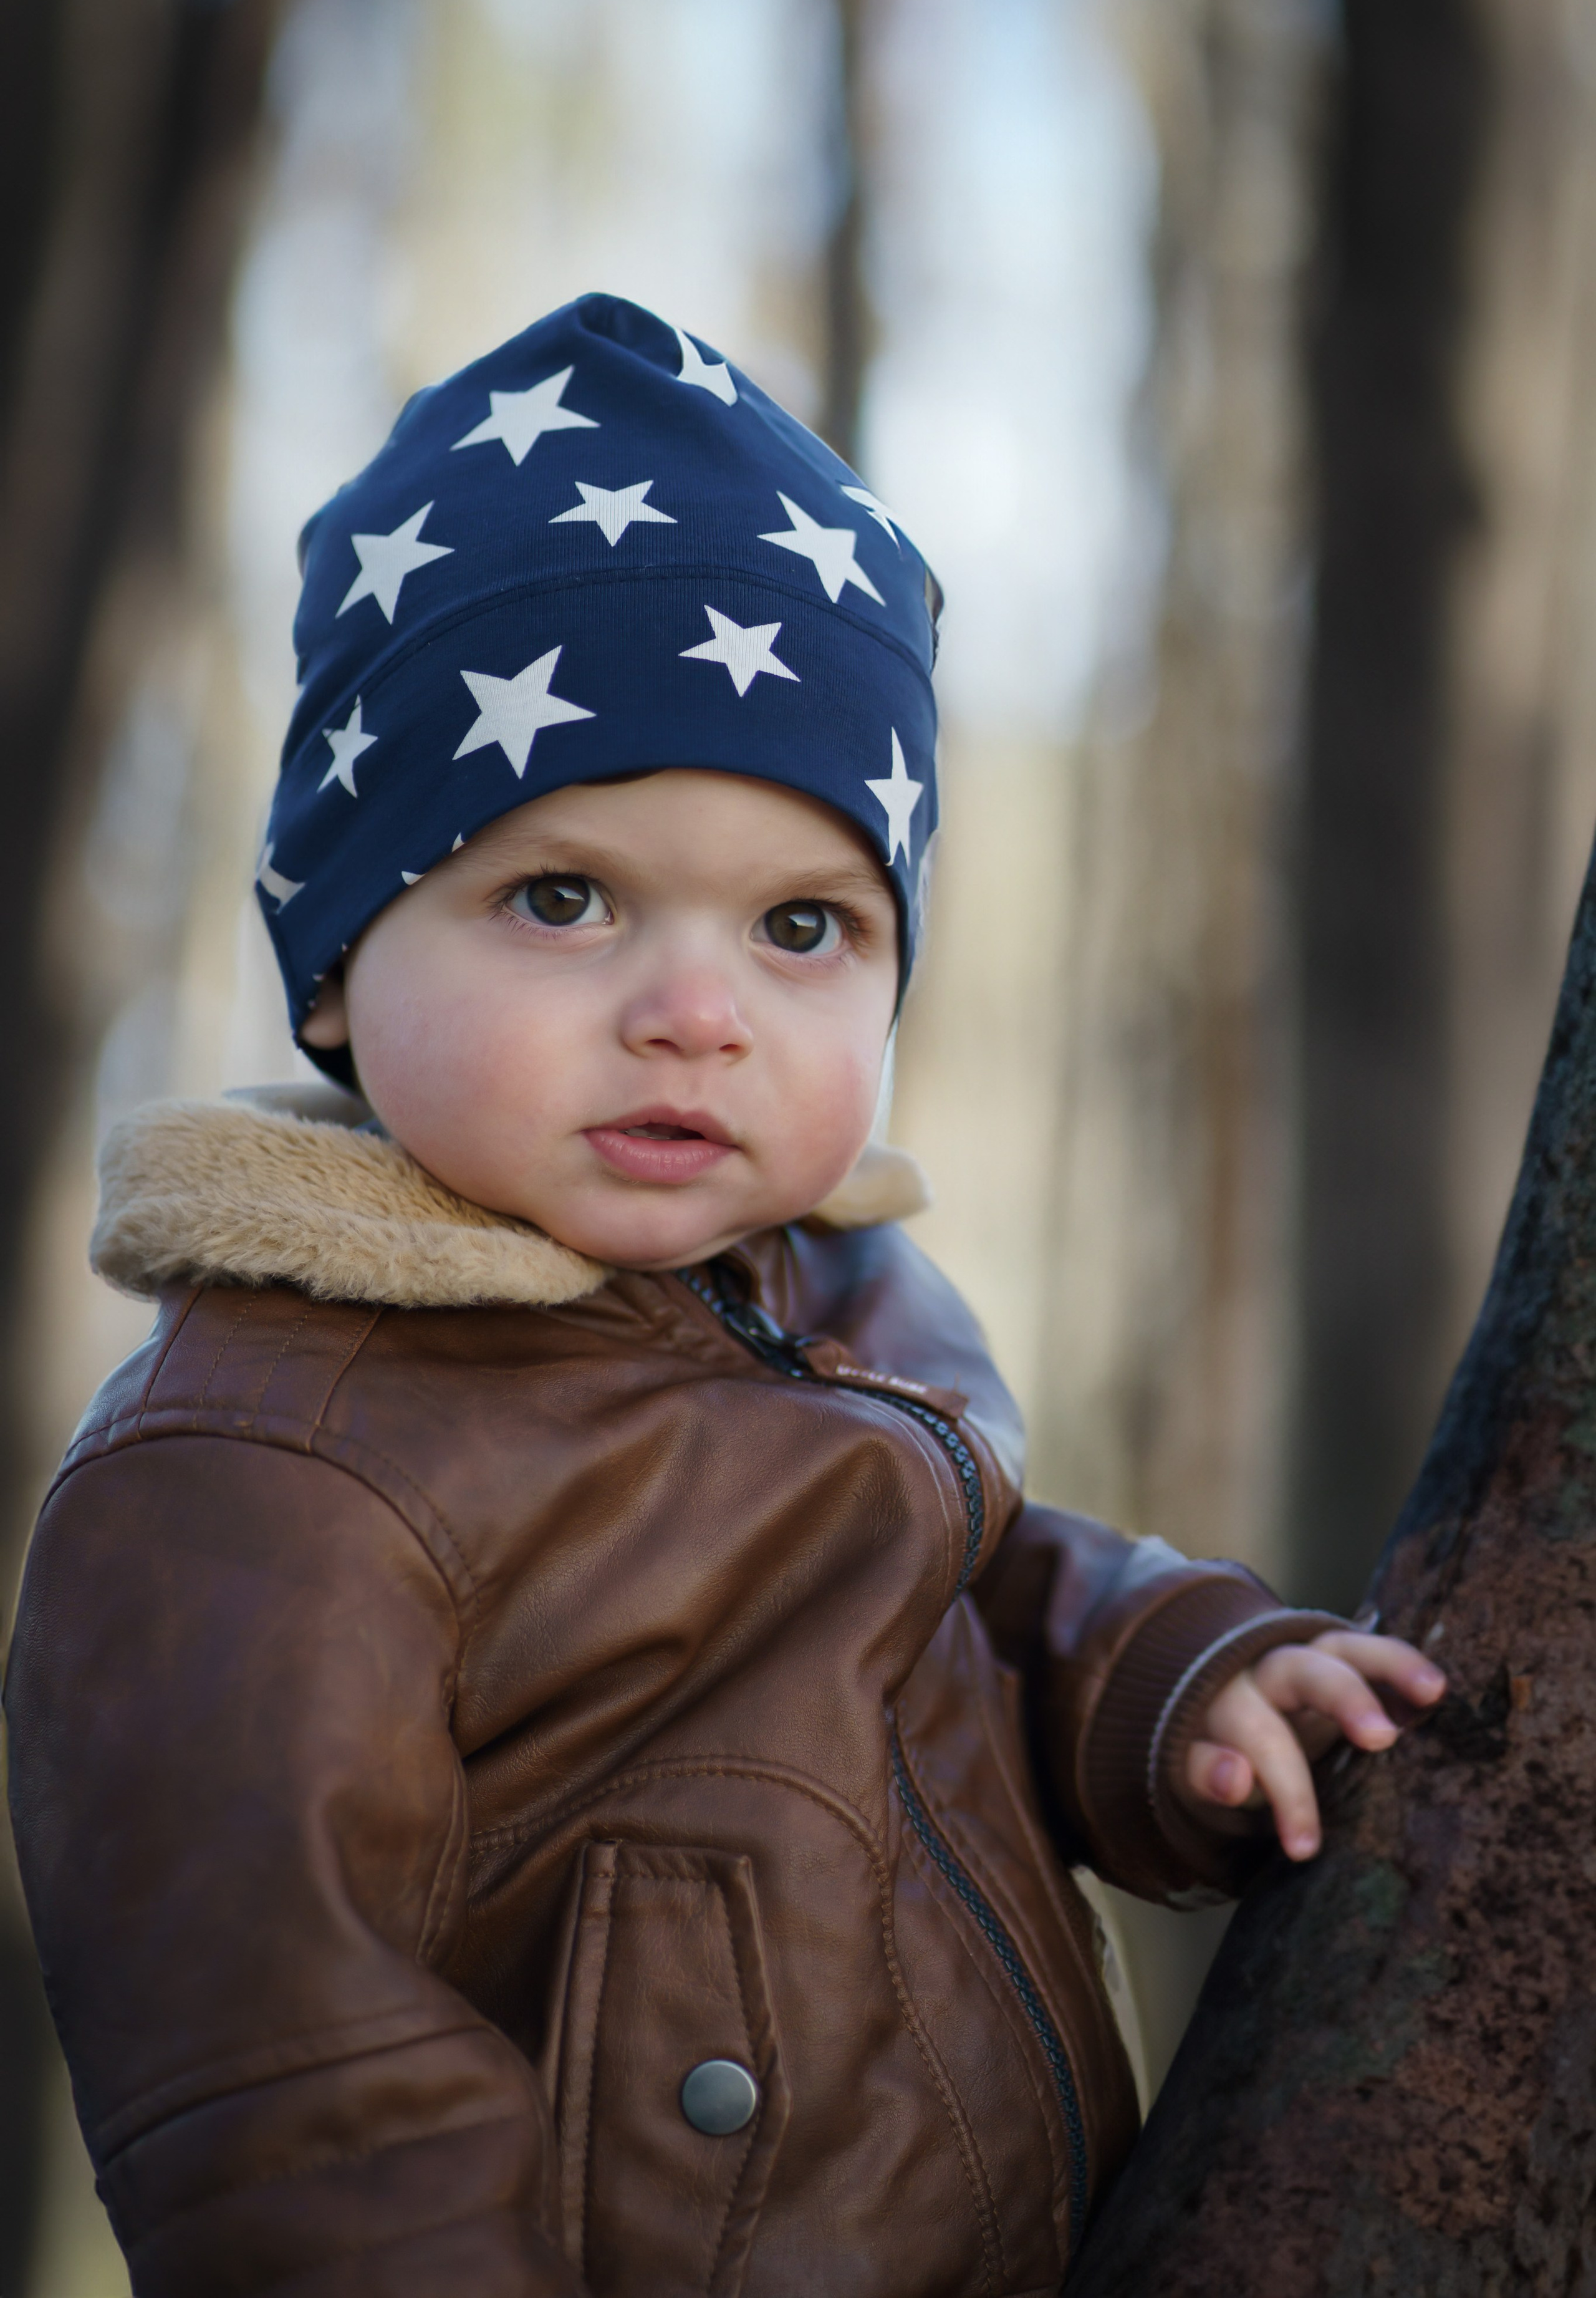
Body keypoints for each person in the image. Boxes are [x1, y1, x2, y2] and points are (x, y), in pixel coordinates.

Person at [4, 294, 1442, 2297]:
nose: (696, 1010)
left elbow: (970, 1595)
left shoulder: (831, 1289)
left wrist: (1169, 1677)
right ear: (336, 962)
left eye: (802, 925)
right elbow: (297, 2108)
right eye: (564, 897)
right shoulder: (256, 1468)